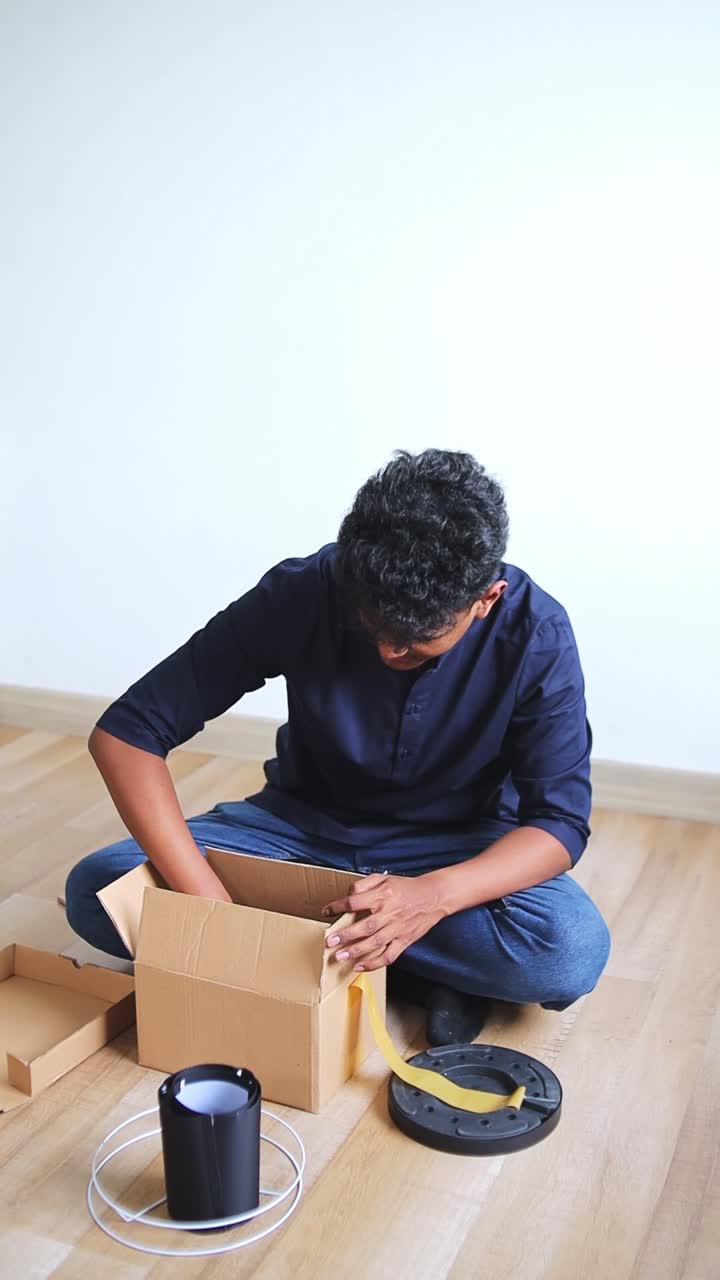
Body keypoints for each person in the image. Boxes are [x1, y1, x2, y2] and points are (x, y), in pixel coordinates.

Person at [65, 449, 610, 1044]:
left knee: (568, 952)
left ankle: (345, 942)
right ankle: (411, 962)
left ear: (485, 600)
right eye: (374, 628)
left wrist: (433, 897)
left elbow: (557, 824)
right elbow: (127, 735)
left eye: (415, 642)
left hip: (452, 849)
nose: (387, 654)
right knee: (98, 890)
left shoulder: (537, 631)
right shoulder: (306, 589)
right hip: (297, 832)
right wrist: (212, 911)